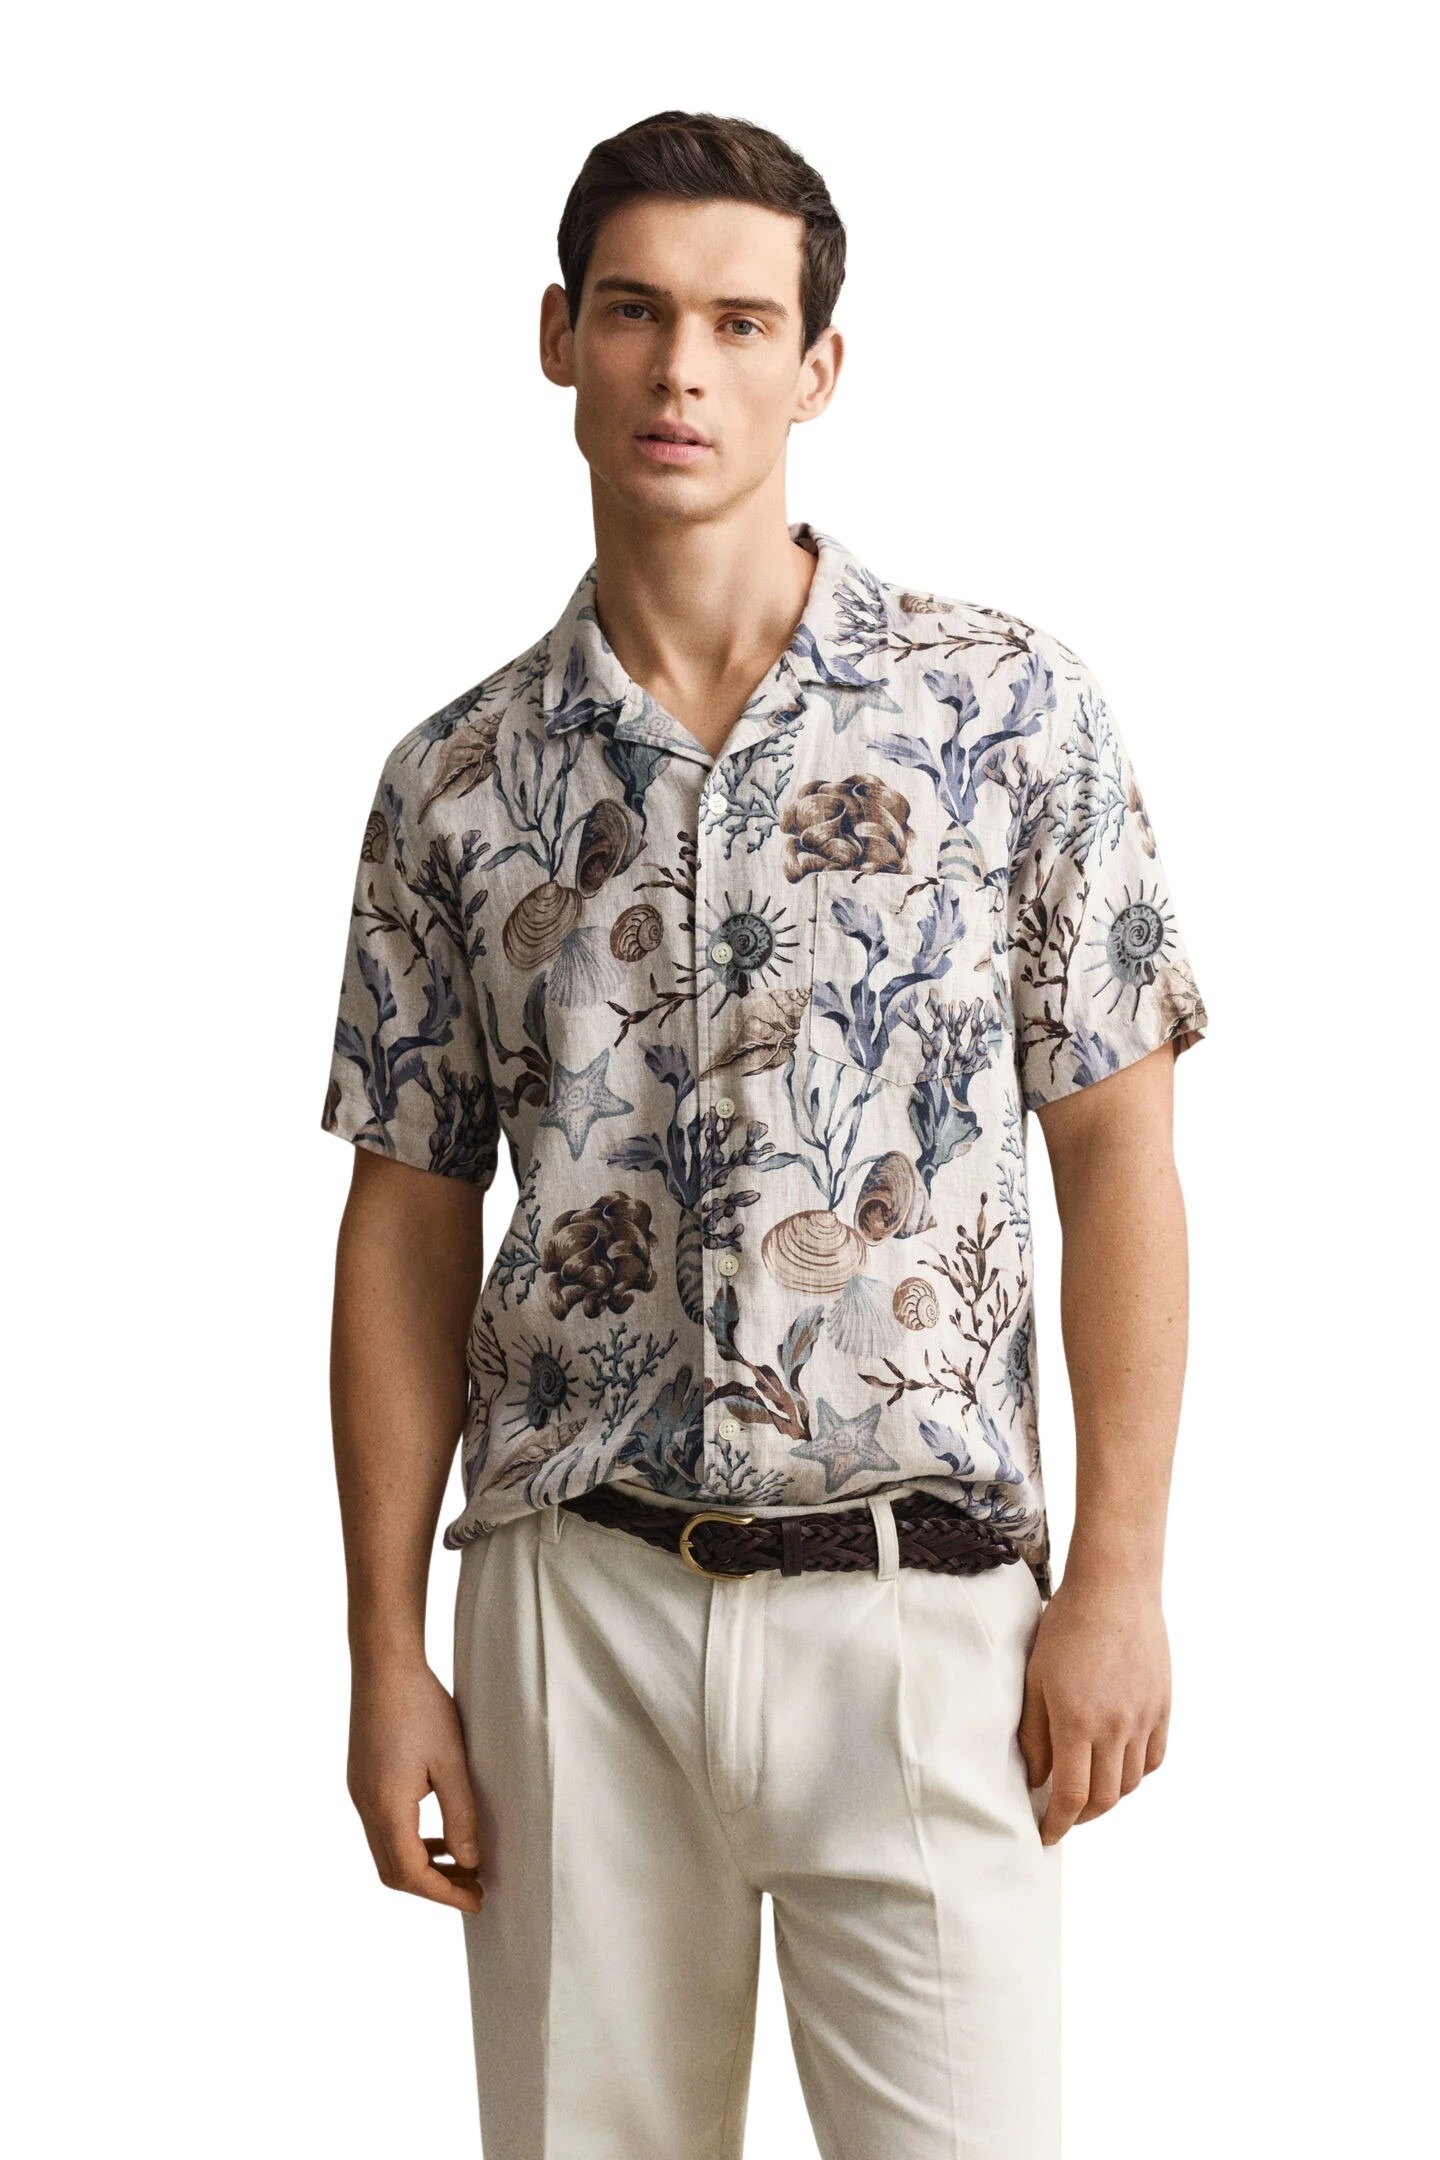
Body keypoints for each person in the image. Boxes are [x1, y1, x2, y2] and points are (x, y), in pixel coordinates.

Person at [320, 108, 1210, 2160]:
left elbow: (1119, 1159)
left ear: (818, 369)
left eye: (739, 323)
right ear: (561, 337)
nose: (681, 369)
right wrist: (384, 1655)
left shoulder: (1009, 714)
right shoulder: (454, 780)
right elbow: (404, 1218)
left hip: (923, 1608)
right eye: (637, 312)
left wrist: (1124, 1578)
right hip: (575, 1618)